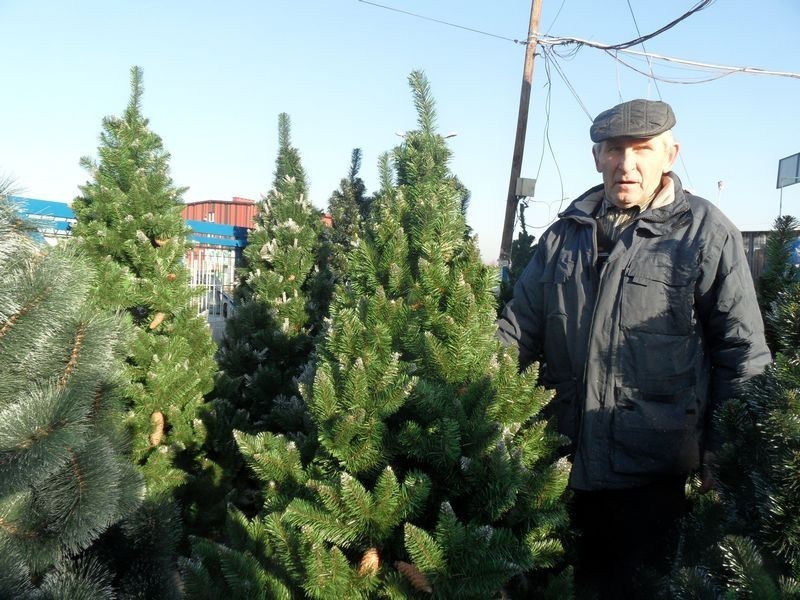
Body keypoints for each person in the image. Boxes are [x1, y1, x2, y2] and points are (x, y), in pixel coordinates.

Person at [497, 99, 771, 598]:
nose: (627, 164)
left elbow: (743, 355)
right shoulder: (563, 236)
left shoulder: (705, 234)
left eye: (642, 149)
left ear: (671, 154)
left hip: (650, 476)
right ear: (597, 157)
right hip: (556, 466)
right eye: (615, 150)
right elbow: (517, 331)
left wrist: (723, 458)